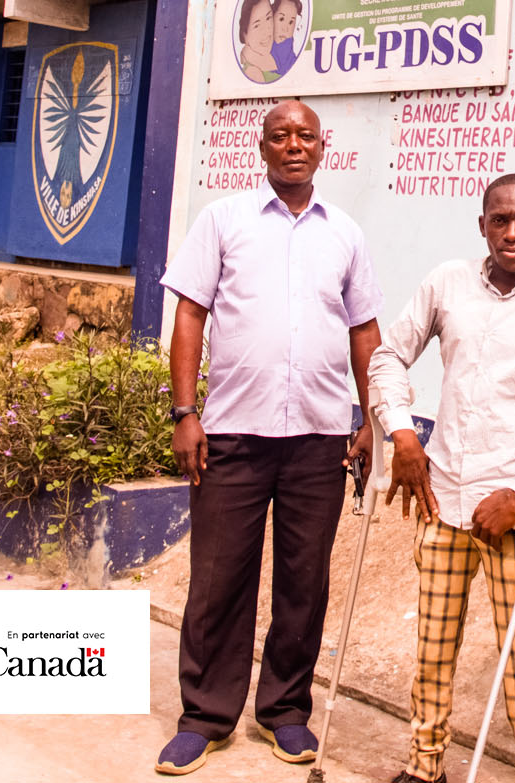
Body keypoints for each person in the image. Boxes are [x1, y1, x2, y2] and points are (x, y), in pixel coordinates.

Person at [156, 101, 383, 775]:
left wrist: (369, 418)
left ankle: (285, 709)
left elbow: (364, 333)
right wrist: (184, 411)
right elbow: (190, 314)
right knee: (219, 577)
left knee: (303, 581)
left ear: (323, 146)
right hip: (230, 432)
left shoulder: (345, 232)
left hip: (319, 437)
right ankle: (204, 716)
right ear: (262, 146)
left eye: (304, 135)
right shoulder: (223, 220)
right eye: (280, 135)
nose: (293, 145)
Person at [369, 173, 515, 783]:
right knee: (433, 648)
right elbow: (389, 357)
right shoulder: (445, 283)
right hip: (443, 495)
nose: (512, 232)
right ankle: (425, 770)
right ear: (482, 225)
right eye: (499, 219)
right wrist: (401, 432)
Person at [237, 0, 279, 84]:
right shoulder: (253, 72)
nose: (266, 30)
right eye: (257, 25)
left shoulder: (270, 59)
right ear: (245, 35)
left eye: (268, 18)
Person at [271, 0, 305, 77]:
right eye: (281, 19)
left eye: (291, 22)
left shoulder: (295, 63)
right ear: (272, 16)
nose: (285, 28)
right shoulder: (260, 55)